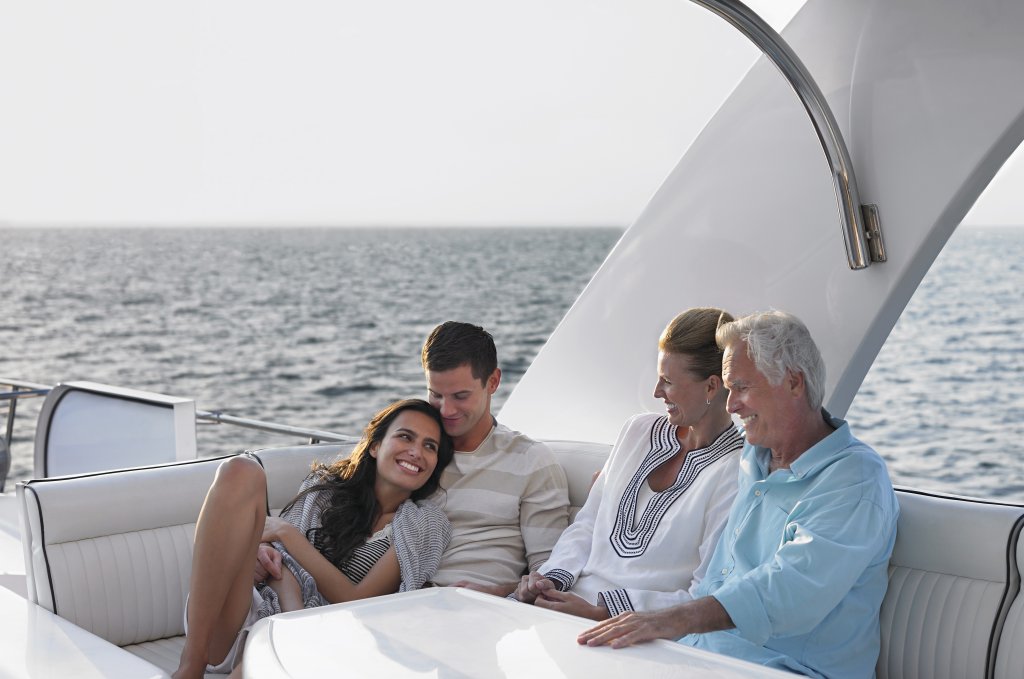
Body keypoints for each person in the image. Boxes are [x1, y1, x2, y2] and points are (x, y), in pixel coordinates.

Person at [578, 310, 899, 679]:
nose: (730, 405)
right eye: (728, 390)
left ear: (794, 383)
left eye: (742, 388)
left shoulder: (854, 480)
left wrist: (667, 620)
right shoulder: (755, 456)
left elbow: (790, 591)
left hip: (788, 669)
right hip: (701, 654)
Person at [173, 399, 455, 678]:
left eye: (430, 446)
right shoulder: (323, 490)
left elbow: (357, 601)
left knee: (294, 648)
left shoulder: (424, 523)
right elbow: (279, 563)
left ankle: (276, 649)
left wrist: (287, 534)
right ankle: (191, 664)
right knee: (241, 470)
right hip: (247, 611)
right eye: (406, 437)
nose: (417, 452)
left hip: (323, 641)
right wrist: (263, 550)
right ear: (375, 446)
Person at [512, 307, 743, 621]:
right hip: (563, 603)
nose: (656, 392)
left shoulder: (736, 470)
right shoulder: (637, 431)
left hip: (639, 628)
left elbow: (703, 593)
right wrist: (548, 579)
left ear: (712, 387)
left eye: (668, 382)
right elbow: (588, 523)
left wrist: (602, 612)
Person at [421, 321, 570, 596]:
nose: (446, 409)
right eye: (435, 395)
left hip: (481, 611)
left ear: (493, 382)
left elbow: (550, 575)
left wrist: (496, 593)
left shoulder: (531, 461)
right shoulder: (415, 454)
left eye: (460, 396)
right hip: (400, 599)